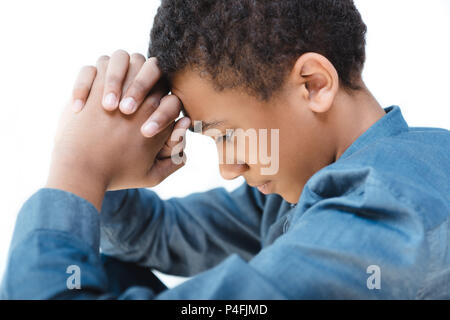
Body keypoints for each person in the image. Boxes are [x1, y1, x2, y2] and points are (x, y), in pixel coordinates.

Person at [1, 0, 449, 299]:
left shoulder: (385, 211)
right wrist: (110, 161)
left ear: (313, 85)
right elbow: (162, 234)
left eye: (226, 134)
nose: (229, 168)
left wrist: (76, 170)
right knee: (107, 269)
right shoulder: (302, 187)